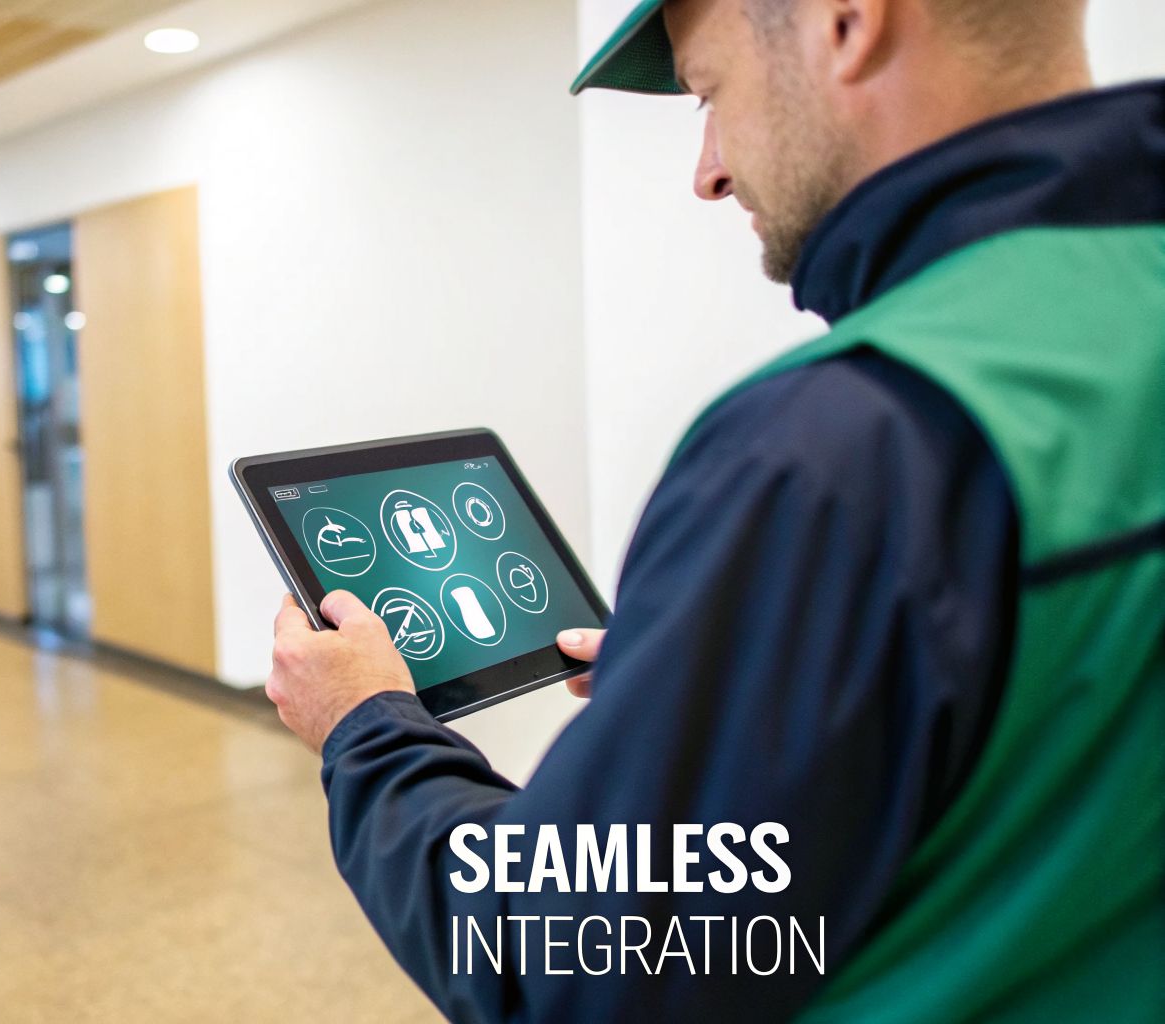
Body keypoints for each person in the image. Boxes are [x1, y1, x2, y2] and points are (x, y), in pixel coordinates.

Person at [264, 1, 1162, 1019]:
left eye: (708, 93)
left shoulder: (836, 452)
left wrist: (364, 726)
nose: (707, 171)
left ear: (845, 21)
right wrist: (761, 673)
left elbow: (563, 970)